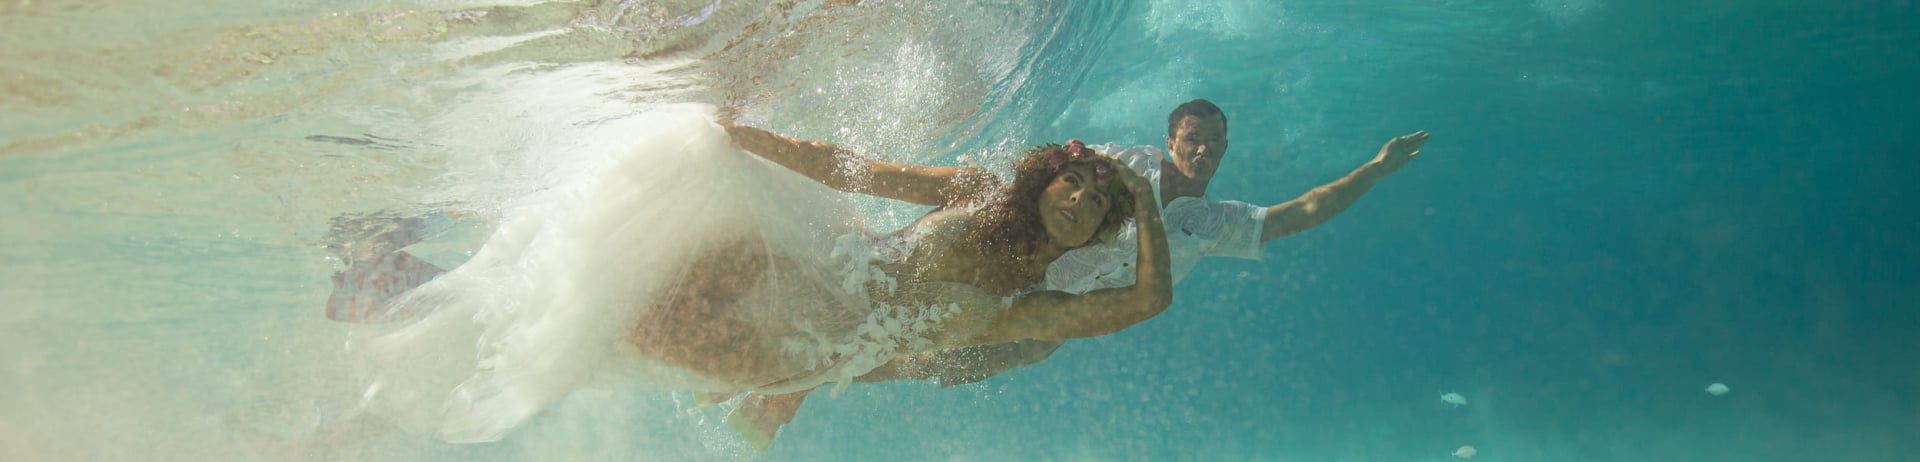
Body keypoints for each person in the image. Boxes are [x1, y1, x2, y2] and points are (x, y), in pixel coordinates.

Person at [346, 104, 1174, 444]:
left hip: (794, 352)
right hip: (802, 262)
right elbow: (860, 171)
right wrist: (753, 140)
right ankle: (393, 285)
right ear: (1047, 180)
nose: (1080, 200)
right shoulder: (975, 193)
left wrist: (1145, 201)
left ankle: (389, 305)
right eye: (1076, 181)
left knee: (609, 328)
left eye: (1099, 203)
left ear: (1105, 226)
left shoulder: (1027, 311)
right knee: (611, 270)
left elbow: (1147, 300)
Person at [719, 98, 1431, 448]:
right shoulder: (1119, 167)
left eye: (1215, 143)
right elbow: (1045, 180)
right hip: (1002, 267)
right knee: (914, 270)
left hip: (1042, 318)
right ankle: (785, 367)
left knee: (935, 356)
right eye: (1193, 140)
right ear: (1170, 140)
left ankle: (799, 380)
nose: (1204, 152)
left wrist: (1373, 169)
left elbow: (1299, 212)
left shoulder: (1214, 222)